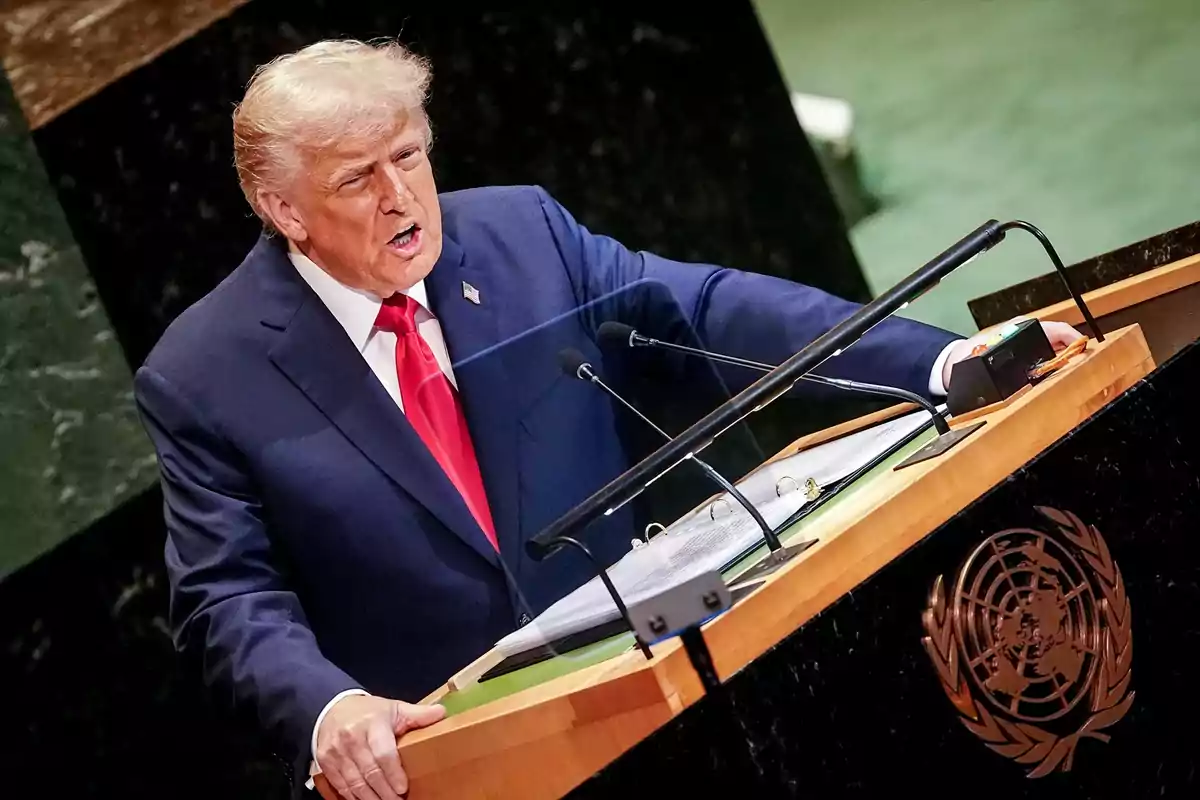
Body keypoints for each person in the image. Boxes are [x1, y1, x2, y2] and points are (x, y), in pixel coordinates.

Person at [134, 39, 1081, 800]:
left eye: (409, 156)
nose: (399, 197)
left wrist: (935, 360)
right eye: (354, 180)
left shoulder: (519, 234)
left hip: (656, 675)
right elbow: (228, 598)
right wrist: (328, 708)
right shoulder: (204, 373)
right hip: (456, 755)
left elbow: (709, 307)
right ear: (281, 207)